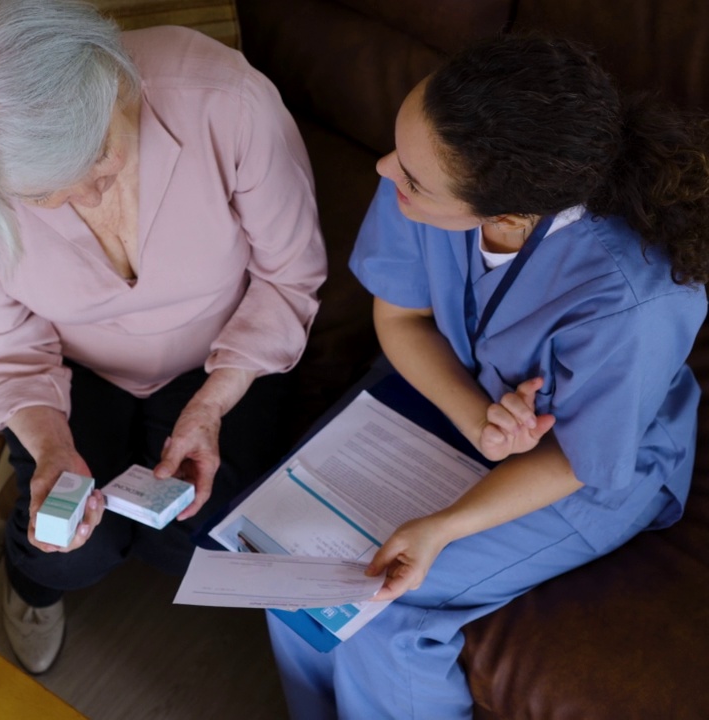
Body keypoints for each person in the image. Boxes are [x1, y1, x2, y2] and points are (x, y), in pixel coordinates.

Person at [269, 34, 709, 718]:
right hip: (455, 403)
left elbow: (583, 458)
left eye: (413, 178)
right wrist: (477, 416)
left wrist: (443, 527)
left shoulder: (632, 298)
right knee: (292, 565)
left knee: (383, 617)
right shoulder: (422, 171)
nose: (386, 170)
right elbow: (404, 319)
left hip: (587, 465)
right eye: (397, 152)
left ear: (506, 215)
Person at [0, 0, 326, 674]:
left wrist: (212, 405)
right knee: (72, 549)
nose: (91, 204)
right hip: (74, 369)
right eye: (52, 198)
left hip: (224, 355)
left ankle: (26, 492)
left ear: (117, 84)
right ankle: (31, 574)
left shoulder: (229, 102)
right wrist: (49, 446)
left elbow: (290, 278)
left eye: (101, 171)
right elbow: (4, 342)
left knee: (197, 539)